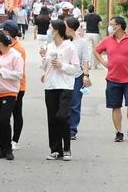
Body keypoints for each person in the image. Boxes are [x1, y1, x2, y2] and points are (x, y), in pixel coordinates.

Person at [0, 20, 26, 151]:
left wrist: (1, 72)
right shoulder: (1, 51)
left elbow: (18, 72)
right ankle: (0, 141)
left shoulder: (17, 50)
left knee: (13, 115)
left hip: (16, 87)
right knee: (1, 118)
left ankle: (13, 142)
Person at [40, 20, 80, 161]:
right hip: (50, 86)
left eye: (51, 28)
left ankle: (67, 148)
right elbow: (45, 66)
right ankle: (55, 149)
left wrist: (62, 66)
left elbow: (75, 69)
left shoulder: (70, 47)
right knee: (52, 118)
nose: (49, 30)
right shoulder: (49, 46)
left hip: (65, 86)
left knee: (62, 117)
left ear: (57, 30)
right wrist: (43, 56)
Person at [65, 16, 91, 140]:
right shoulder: (63, 41)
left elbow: (85, 60)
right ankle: (64, 127)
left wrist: (86, 76)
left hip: (77, 76)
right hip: (63, 76)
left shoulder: (82, 42)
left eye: (65, 25)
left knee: (75, 103)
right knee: (64, 103)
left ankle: (72, 129)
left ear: (70, 28)